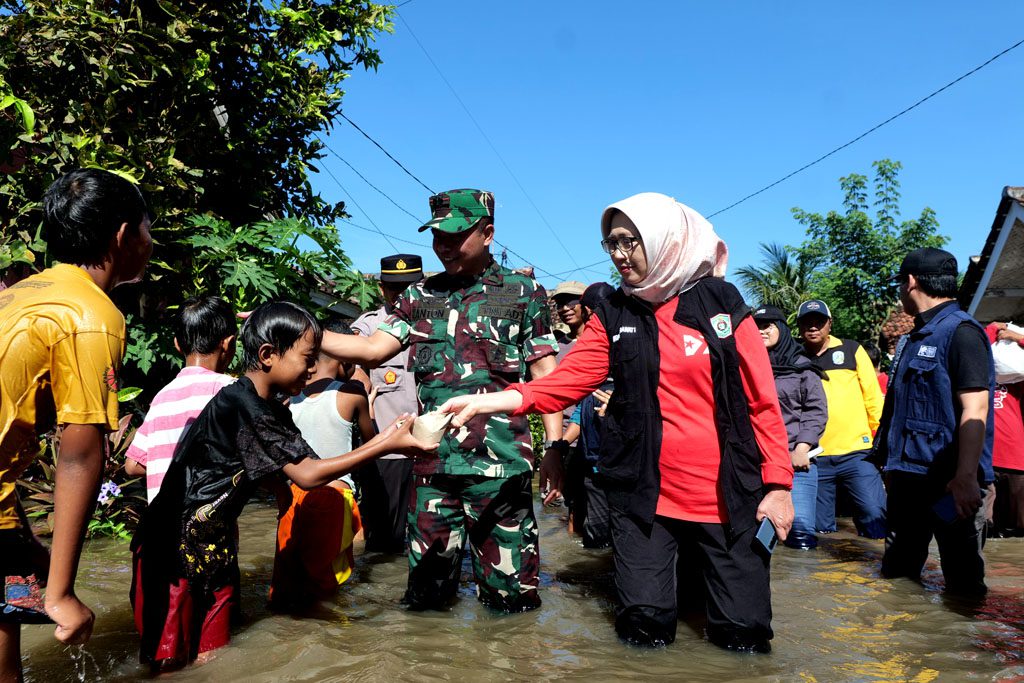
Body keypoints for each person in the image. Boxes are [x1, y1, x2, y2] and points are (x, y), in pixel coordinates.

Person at [439, 192, 793, 652]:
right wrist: (492, 401)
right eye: (612, 244)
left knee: (742, 638)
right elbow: (566, 382)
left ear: (667, 240)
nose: (620, 255)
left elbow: (762, 403)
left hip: (729, 495)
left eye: (631, 241)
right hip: (644, 498)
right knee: (643, 632)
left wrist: (779, 486)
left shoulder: (721, 304)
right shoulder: (614, 312)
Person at [130, 302, 436, 669]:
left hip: (215, 545)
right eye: (307, 358)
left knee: (213, 659)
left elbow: (303, 468)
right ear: (267, 355)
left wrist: (386, 437)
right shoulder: (242, 403)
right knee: (168, 665)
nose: (312, 369)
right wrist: (385, 444)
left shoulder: (274, 409)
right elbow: (308, 474)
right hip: (169, 550)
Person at [319, 188, 564, 613]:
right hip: (432, 468)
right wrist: (300, 330)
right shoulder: (418, 296)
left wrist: (555, 449)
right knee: (426, 603)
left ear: (487, 233)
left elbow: (547, 380)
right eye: (437, 236)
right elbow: (374, 349)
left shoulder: (524, 293)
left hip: (501, 469)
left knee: (511, 603)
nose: (444, 246)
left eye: (455, 235)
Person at [0, 168, 153, 682]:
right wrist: (62, 593)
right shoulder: (91, 314)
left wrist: (23, 537)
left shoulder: (20, 294)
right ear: (123, 236)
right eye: (148, 229)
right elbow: (81, 453)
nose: (152, 242)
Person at [874, 248, 994, 596]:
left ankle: (967, 648)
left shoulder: (962, 333)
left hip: (951, 485)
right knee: (898, 580)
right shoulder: (915, 337)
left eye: (900, 283)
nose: (899, 291)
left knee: (962, 582)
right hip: (909, 480)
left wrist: (967, 478)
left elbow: (976, 410)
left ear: (911, 282)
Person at [269, 319, 375, 609]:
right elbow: (372, 443)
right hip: (333, 496)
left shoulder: (288, 399)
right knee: (327, 583)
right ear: (345, 359)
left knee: (288, 578)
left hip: (293, 496)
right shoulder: (352, 394)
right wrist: (371, 404)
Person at [125, 297, 237, 502]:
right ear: (228, 343)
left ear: (177, 344)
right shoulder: (229, 390)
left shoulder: (162, 397)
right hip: (205, 524)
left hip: (160, 524)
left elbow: (132, 465)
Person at [351, 254, 423, 554]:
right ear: (382, 289)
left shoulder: (439, 325)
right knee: (385, 542)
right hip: (388, 450)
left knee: (434, 538)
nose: (402, 294)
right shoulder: (369, 328)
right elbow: (352, 367)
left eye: (408, 286)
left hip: (433, 447)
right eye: (395, 288)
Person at [797, 299, 887, 538]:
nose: (813, 327)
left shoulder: (851, 350)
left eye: (819, 322)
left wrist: (880, 445)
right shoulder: (795, 358)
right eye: (807, 322)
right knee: (820, 533)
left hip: (858, 452)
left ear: (830, 324)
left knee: (874, 518)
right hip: (815, 458)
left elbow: (873, 400)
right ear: (799, 327)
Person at [753, 305, 828, 549]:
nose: (761, 331)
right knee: (756, 532)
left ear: (782, 329)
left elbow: (816, 410)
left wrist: (803, 447)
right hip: (755, 462)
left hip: (796, 461)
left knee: (800, 532)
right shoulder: (746, 364)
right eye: (756, 327)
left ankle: (804, 586)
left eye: (768, 326)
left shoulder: (802, 366)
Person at [564, 282, 617, 548]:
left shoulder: (622, 348)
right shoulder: (587, 353)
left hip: (617, 464)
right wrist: (561, 443)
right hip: (590, 460)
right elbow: (581, 410)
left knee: (612, 536)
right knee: (594, 534)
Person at [549, 280, 586, 521]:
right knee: (569, 504)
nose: (565, 308)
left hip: (593, 434)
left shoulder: (599, 342)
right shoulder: (555, 347)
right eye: (561, 303)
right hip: (562, 437)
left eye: (572, 301)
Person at [983, 322, 1024, 537]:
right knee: (985, 527)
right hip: (984, 458)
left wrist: (1015, 336)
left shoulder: (1018, 379)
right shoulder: (980, 376)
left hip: (1015, 460)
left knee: (1018, 528)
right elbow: (977, 348)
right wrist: (993, 328)